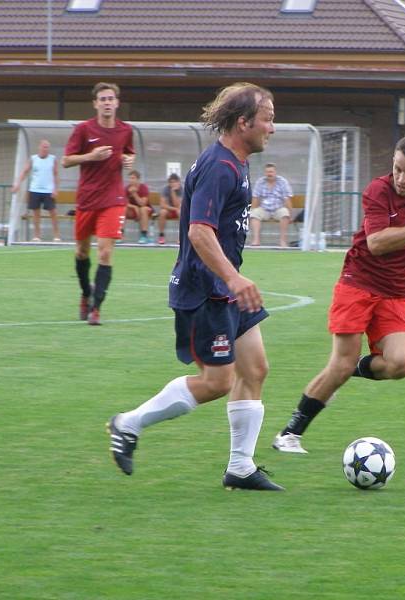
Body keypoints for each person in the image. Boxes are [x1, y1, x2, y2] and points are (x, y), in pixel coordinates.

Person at [106, 82, 283, 491]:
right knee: (218, 381)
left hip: (225, 288)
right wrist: (234, 277)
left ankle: (240, 468)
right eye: (268, 119)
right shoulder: (220, 168)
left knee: (255, 368)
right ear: (244, 123)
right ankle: (128, 423)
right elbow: (200, 233)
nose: (272, 128)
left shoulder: (237, 161)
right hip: (203, 290)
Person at [272, 136, 405, 454]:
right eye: (397, 169)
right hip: (358, 283)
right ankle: (289, 433)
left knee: (402, 363)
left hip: (395, 293)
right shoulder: (378, 190)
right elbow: (377, 243)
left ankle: (351, 369)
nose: (401, 178)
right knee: (338, 365)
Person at [62, 82, 134, 326]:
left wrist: (128, 160)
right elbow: (66, 161)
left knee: (105, 252)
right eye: (102, 99)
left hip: (113, 199)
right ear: (95, 103)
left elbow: (129, 153)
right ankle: (85, 293)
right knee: (82, 251)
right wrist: (90, 156)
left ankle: (96, 308)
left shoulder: (125, 130)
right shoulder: (83, 130)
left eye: (110, 98)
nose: (106, 102)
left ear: (117, 103)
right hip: (87, 199)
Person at [11, 139, 61, 242]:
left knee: (53, 213)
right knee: (36, 214)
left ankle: (56, 235)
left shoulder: (53, 159)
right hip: (35, 189)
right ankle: (37, 236)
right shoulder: (33, 159)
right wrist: (17, 184)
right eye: (44, 146)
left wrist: (55, 189)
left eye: (47, 147)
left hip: (48, 190)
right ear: (39, 147)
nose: (45, 149)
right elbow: (25, 172)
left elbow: (56, 174)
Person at [249, 163, 293, 247]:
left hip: (278, 208)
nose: (269, 174)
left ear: (275, 172)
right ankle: (256, 240)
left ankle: (283, 241)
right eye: (267, 172)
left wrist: (291, 215)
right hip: (264, 209)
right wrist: (252, 211)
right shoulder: (260, 182)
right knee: (254, 214)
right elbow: (255, 198)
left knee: (285, 213)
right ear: (265, 173)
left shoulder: (282, 182)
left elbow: (287, 199)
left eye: (271, 172)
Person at [125, 170, 154, 244]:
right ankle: (120, 234)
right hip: (133, 210)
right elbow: (124, 203)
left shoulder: (143, 187)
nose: (131, 180)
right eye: (130, 178)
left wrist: (134, 194)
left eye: (133, 178)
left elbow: (143, 204)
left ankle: (144, 235)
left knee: (143, 209)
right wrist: (135, 207)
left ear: (138, 179)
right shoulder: (127, 188)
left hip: (146, 209)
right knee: (123, 209)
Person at [157, 173, 182, 245]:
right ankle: (161, 235)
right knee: (162, 212)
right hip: (169, 210)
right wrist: (174, 209)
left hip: (177, 210)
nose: (173, 184)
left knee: (180, 212)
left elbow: (178, 205)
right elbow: (162, 205)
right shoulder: (166, 189)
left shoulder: (181, 189)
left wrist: (173, 192)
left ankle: (181, 236)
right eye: (171, 182)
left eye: (175, 182)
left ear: (178, 182)